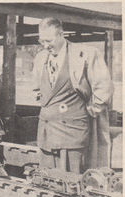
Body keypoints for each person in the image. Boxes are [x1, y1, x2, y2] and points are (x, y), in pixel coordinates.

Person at [32, 17, 113, 173]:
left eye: (49, 41)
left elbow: (104, 88)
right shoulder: (40, 57)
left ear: (61, 34)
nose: (45, 46)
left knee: (74, 179)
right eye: (41, 41)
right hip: (46, 131)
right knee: (48, 178)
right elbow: (37, 87)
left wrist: (91, 110)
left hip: (74, 131)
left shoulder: (86, 54)